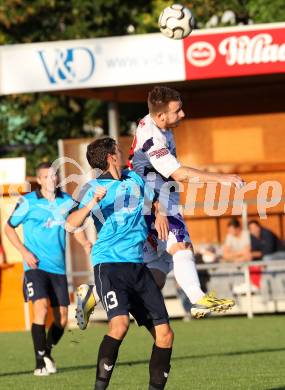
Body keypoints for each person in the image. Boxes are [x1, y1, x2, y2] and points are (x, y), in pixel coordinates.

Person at [127, 85, 243, 318]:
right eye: (177, 110)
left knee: (158, 270)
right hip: (154, 201)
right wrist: (221, 179)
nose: (183, 114)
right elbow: (180, 174)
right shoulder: (152, 140)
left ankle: (97, 295)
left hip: (150, 199)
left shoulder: (156, 122)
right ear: (161, 116)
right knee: (182, 247)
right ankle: (198, 299)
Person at [67, 137, 173, 390]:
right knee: (120, 325)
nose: (122, 150)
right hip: (109, 264)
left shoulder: (134, 179)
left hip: (138, 265)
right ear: (110, 157)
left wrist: (160, 213)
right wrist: (92, 202)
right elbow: (71, 224)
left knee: (165, 335)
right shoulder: (92, 188)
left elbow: (156, 199)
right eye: (118, 149)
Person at [4, 162, 89, 376]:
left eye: (54, 176)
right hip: (35, 267)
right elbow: (8, 227)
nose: (51, 179)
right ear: (39, 180)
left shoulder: (67, 201)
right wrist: (24, 252)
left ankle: (47, 350)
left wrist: (85, 243)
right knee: (40, 307)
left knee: (61, 319)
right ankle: (39, 362)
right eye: (46, 177)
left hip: (58, 269)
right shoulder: (28, 202)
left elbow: (74, 225)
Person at [222, 218, 260, 294]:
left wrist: (234, 255)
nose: (230, 232)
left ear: (238, 228)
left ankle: (247, 285)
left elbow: (247, 252)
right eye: (229, 230)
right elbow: (225, 255)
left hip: (246, 259)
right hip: (235, 260)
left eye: (232, 230)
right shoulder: (229, 236)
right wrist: (239, 254)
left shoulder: (246, 234)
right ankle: (237, 287)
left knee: (247, 258)